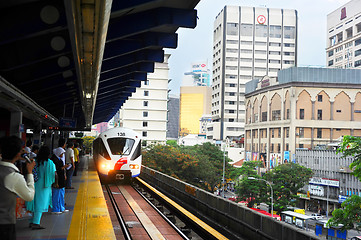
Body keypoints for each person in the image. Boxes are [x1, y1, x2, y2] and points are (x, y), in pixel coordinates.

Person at [0, 136, 35, 240]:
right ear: (18, 154)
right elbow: (29, 196)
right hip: (4, 224)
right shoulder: (13, 176)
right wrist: (29, 173)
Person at [26, 146, 56, 230]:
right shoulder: (50, 163)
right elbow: (53, 174)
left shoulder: (35, 161)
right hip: (44, 186)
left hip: (34, 184)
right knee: (40, 204)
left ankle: (31, 221)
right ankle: (36, 223)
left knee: (33, 202)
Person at [50, 148, 70, 214]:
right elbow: (56, 170)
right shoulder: (54, 160)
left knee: (61, 194)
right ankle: (55, 209)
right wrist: (64, 167)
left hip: (61, 179)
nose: (62, 155)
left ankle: (61, 207)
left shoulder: (59, 159)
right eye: (61, 153)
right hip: (57, 180)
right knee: (56, 195)